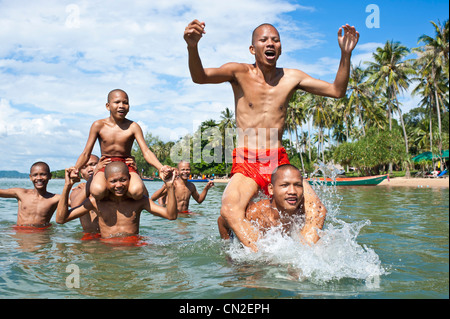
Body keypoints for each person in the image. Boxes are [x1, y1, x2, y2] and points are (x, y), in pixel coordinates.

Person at [184, 20, 359, 251]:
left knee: (317, 210)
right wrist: (192, 47)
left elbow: (337, 91)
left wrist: (345, 54)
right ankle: (263, 257)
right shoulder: (238, 72)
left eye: (275, 40)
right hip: (247, 161)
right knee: (228, 209)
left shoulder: (291, 77)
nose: (270, 43)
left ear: (280, 48)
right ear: (252, 49)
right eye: (263, 39)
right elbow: (200, 76)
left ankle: (301, 259)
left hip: (278, 161)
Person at [70, 89, 171, 201]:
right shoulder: (98, 125)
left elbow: (146, 151)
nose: (122, 106)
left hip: (126, 164)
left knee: (137, 192)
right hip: (105, 164)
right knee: (97, 192)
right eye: (117, 102)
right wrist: (76, 169)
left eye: (125, 102)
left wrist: (161, 168)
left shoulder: (133, 126)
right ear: (108, 106)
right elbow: (86, 152)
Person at [57, 161, 178, 240]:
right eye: (113, 181)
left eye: (123, 180)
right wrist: (67, 186)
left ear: (130, 179)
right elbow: (61, 219)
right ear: (105, 182)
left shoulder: (139, 201)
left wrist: (170, 186)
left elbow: (171, 215)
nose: (119, 185)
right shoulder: (96, 202)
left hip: (133, 251)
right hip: (107, 251)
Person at [218, 164, 327, 245]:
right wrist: (229, 250)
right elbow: (222, 220)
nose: (293, 191)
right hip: (248, 162)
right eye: (285, 185)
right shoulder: (257, 214)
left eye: (298, 185)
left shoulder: (304, 214)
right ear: (271, 189)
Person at [0, 162, 60, 229]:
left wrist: (72, 186)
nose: (39, 178)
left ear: (50, 176)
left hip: (41, 235)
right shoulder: (21, 193)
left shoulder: (56, 198)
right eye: (35, 175)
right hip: (21, 234)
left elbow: (73, 204)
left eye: (43, 174)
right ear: (30, 177)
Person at [68, 154, 101, 237]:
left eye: (93, 165)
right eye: (84, 167)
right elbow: (74, 207)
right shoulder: (78, 191)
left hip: (109, 237)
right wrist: (87, 186)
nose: (90, 169)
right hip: (89, 238)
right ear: (81, 174)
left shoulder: (114, 188)